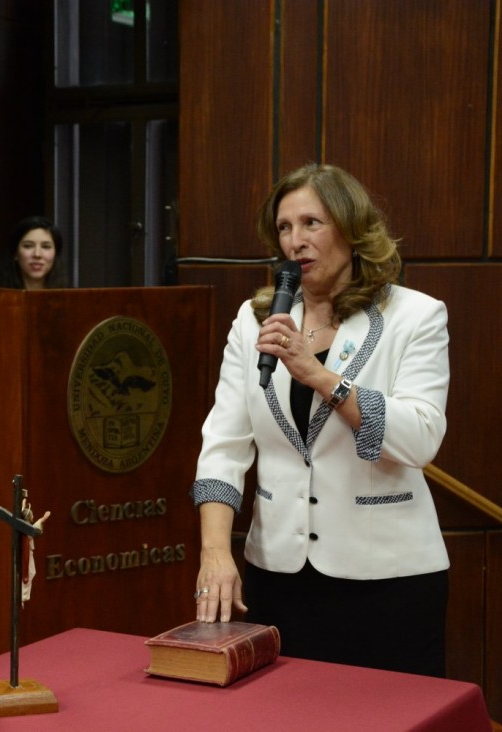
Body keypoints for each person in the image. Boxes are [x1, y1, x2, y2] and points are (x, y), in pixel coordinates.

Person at [191, 163, 450, 677]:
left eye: (312, 223)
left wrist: (320, 376)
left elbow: (420, 438)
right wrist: (216, 552)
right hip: (279, 577)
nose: (296, 241)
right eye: (285, 228)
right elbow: (223, 444)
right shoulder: (254, 320)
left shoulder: (413, 316)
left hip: (387, 582)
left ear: (353, 231)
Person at [0, 215, 65, 308]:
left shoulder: (70, 299)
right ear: (15, 253)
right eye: (28, 246)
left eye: (46, 247)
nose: (37, 254)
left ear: (55, 254)